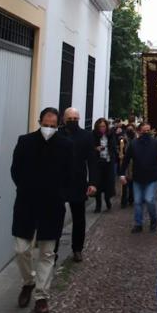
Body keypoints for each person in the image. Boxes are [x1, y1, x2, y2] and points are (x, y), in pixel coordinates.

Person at [11, 107, 73, 313]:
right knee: (21, 249)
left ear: (58, 126)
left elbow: (70, 172)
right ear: (39, 122)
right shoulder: (25, 141)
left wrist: (61, 194)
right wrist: (25, 188)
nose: (48, 129)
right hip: (26, 203)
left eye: (53, 126)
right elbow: (15, 169)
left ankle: (41, 296)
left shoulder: (65, 144)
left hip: (52, 206)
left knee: (47, 253)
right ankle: (28, 281)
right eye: (45, 125)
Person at [57, 108, 98, 262]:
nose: (73, 120)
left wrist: (93, 182)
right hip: (59, 182)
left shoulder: (86, 136)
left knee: (79, 219)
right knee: (56, 218)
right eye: (70, 118)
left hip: (78, 182)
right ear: (64, 119)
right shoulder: (57, 134)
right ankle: (52, 250)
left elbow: (92, 161)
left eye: (76, 118)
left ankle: (77, 249)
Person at [122, 122, 157, 233]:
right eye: (144, 131)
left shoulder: (156, 142)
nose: (146, 133)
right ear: (139, 131)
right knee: (137, 201)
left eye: (148, 131)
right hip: (138, 177)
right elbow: (126, 159)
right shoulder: (133, 144)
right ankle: (138, 224)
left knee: (149, 199)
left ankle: (153, 220)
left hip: (152, 177)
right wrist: (122, 173)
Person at [92, 117, 117, 212]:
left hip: (108, 162)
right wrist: (96, 149)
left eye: (104, 126)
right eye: (100, 126)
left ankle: (107, 200)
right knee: (97, 183)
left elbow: (114, 147)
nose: (102, 128)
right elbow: (90, 147)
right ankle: (98, 205)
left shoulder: (110, 135)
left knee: (108, 183)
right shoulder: (93, 135)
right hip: (98, 163)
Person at [119, 124, 135, 208]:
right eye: (129, 129)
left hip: (133, 163)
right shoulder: (123, 139)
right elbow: (120, 148)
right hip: (125, 162)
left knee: (132, 182)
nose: (130, 131)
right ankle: (123, 201)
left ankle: (131, 198)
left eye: (131, 129)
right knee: (124, 182)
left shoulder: (136, 139)